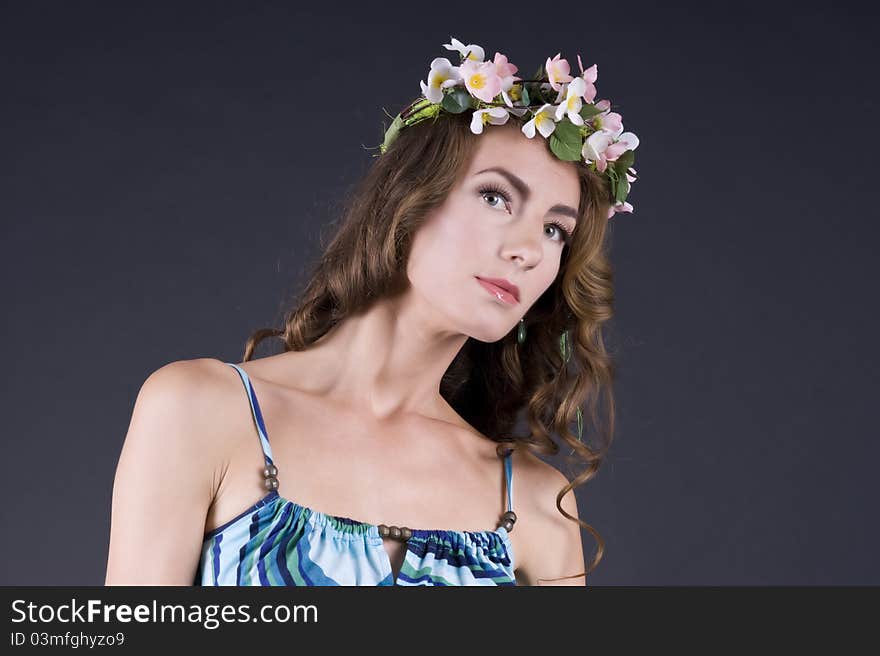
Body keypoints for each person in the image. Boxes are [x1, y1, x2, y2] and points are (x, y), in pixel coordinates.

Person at [105, 37, 638, 586]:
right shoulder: (200, 411)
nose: (528, 248)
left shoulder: (537, 508)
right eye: (496, 197)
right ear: (410, 198)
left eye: (555, 230)